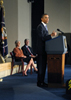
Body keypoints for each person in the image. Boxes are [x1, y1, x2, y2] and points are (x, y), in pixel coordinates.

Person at [36, 14, 57, 87]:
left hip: (45, 50)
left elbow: (46, 38)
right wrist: (50, 35)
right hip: (41, 50)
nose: (47, 19)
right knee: (41, 67)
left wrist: (50, 37)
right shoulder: (40, 27)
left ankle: (42, 81)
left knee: (44, 67)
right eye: (46, 17)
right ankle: (39, 82)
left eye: (48, 17)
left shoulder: (45, 26)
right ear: (42, 19)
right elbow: (42, 38)